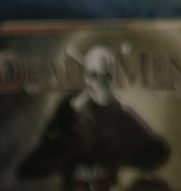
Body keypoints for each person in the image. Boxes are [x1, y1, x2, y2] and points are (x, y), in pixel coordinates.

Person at [15, 45, 170, 191]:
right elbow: (29, 169)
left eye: (106, 76)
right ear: (87, 77)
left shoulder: (117, 113)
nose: (100, 83)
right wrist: (68, 144)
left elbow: (157, 154)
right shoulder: (70, 110)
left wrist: (119, 149)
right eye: (95, 75)